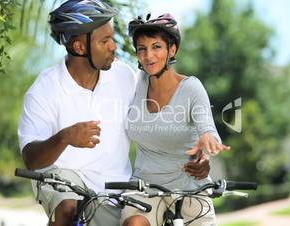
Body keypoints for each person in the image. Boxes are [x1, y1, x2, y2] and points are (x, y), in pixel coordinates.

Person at [17, 1, 211, 226]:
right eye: (104, 41)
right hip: (64, 179)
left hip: (117, 187)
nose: (113, 47)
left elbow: (167, 114)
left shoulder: (125, 76)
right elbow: (31, 159)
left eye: (112, 38)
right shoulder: (44, 90)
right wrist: (64, 137)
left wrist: (200, 154)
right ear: (80, 47)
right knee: (68, 208)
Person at [122, 13, 230, 226]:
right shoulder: (135, 83)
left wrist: (206, 154)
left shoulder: (191, 88)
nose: (148, 55)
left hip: (189, 186)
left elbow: (207, 129)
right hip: (144, 186)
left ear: (172, 49)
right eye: (142, 48)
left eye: (156, 47)